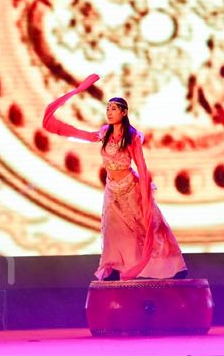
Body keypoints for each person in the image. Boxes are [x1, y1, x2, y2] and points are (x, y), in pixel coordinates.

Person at [42, 74, 187, 281]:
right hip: (112, 189)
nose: (109, 112)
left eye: (113, 109)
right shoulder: (104, 133)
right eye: (108, 109)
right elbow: (83, 135)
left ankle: (174, 266)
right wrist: (59, 127)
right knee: (114, 231)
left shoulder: (132, 136)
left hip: (131, 188)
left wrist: (145, 192)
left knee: (149, 226)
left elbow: (141, 164)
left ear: (124, 112)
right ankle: (114, 268)